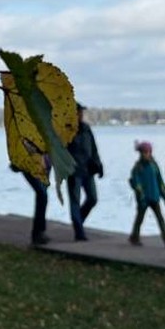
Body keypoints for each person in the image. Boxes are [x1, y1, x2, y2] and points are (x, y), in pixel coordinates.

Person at [66, 102, 103, 241]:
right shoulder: (66, 131)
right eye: (78, 112)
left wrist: (98, 165)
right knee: (75, 201)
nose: (81, 115)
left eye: (81, 112)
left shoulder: (87, 129)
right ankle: (79, 232)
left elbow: (94, 149)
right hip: (73, 172)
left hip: (88, 170)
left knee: (92, 198)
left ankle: (78, 222)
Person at [128, 140, 165, 246]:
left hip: (155, 197)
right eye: (144, 152)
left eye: (147, 152)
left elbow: (160, 181)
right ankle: (134, 237)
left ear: (151, 152)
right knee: (140, 218)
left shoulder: (154, 166)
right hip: (143, 199)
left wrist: (164, 195)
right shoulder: (137, 168)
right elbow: (135, 182)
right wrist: (140, 194)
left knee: (160, 219)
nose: (146, 154)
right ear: (140, 153)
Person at [11, 145, 52, 246]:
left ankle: (39, 232)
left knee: (43, 197)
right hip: (30, 164)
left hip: (45, 163)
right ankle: (37, 233)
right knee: (42, 194)